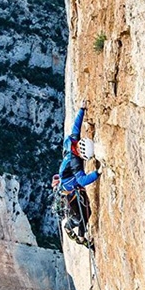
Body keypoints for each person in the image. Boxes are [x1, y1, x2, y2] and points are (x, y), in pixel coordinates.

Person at [51, 100, 100, 247]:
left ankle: (78, 232)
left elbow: (75, 127)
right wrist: (98, 172)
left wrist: (82, 109)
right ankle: (77, 233)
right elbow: (83, 181)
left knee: (84, 213)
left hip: (65, 182)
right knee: (84, 215)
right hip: (68, 188)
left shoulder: (72, 142)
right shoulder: (75, 162)